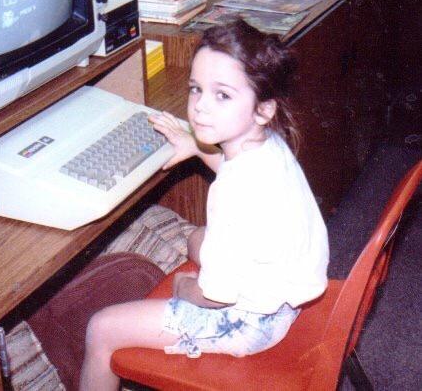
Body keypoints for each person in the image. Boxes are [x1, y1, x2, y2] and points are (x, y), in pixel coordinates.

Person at [79, 20, 329, 390]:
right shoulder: (267, 143)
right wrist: (196, 146)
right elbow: (231, 167)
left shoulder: (233, 194)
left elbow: (214, 297)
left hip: (249, 324)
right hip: (284, 289)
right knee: (196, 237)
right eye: (196, 90)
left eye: (222, 95)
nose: (199, 109)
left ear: (263, 108)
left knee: (101, 328)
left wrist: (183, 287)